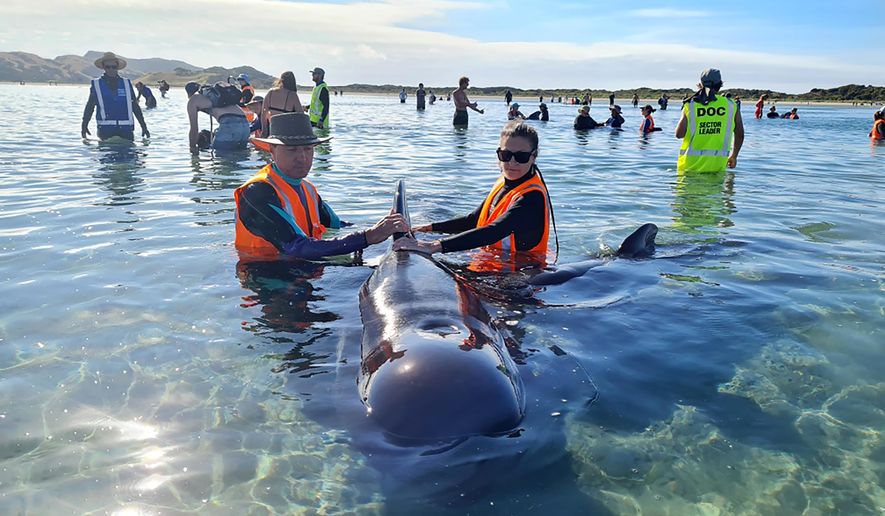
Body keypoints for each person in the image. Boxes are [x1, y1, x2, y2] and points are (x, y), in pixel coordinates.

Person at [235, 113, 407, 260]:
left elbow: (337, 225)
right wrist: (368, 237)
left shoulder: (308, 189)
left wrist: (387, 228)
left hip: (305, 270)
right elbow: (296, 246)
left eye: (308, 149)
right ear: (272, 150)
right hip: (265, 279)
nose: (302, 158)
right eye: (292, 150)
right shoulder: (256, 192)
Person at [393, 120, 552, 270]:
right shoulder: (505, 182)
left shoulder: (532, 198)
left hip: (519, 274)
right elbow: (473, 220)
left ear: (534, 156)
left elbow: (494, 231)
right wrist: (428, 228)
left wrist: (434, 246)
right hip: (492, 262)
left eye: (521, 157)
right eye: (506, 155)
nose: (512, 162)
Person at [675, 68, 744, 172]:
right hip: (716, 167)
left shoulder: (691, 105)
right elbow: (740, 133)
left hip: (689, 167)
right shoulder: (731, 105)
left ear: (701, 84)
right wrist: (734, 156)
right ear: (720, 84)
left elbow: (679, 134)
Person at [81, 52, 150, 141]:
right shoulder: (97, 84)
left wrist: (143, 126)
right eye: (108, 67)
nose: (111, 69)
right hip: (105, 130)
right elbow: (90, 106)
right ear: (103, 67)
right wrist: (84, 125)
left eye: (113, 67)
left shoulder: (126, 84)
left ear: (117, 67)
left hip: (126, 129)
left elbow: (134, 106)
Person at [185, 81, 250, 153]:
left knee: (222, 161)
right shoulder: (216, 95)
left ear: (188, 93)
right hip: (245, 124)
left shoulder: (193, 100)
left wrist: (192, 148)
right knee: (241, 156)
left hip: (229, 124)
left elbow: (194, 128)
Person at [260, 71, 304, 138]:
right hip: (287, 132)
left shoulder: (270, 92)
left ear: (280, 80)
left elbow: (263, 113)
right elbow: (301, 115)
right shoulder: (292, 95)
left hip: (272, 130)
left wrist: (264, 131)